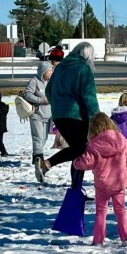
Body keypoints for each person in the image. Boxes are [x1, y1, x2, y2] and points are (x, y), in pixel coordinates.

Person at [37, 42, 100, 186]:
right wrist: (97, 117)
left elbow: (48, 91)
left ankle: (75, 187)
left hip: (59, 116)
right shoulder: (83, 69)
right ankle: (47, 164)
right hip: (76, 117)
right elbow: (89, 96)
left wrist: (58, 106)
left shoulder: (60, 67)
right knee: (81, 150)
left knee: (78, 151)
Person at [73, 112, 127, 246]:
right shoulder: (121, 140)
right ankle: (126, 237)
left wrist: (76, 162)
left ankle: (98, 240)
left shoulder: (94, 144)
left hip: (102, 184)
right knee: (121, 210)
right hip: (119, 182)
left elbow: (87, 162)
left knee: (101, 211)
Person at [24, 61, 53, 168]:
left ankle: (35, 156)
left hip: (48, 116)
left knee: (44, 139)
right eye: (49, 70)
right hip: (37, 114)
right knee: (38, 138)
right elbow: (27, 94)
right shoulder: (34, 81)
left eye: (51, 70)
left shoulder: (50, 82)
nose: (51, 72)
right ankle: (39, 161)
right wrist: (40, 100)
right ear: (43, 71)